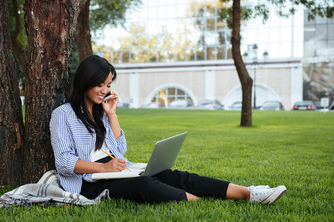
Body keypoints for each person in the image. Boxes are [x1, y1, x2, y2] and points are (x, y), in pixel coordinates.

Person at [50, 55, 287, 204]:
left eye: (109, 85)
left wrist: (112, 115)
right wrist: (103, 167)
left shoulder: (102, 112)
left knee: (173, 176)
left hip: (116, 169)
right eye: (100, 84)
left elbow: (120, 149)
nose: (104, 90)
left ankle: (248, 193)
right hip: (89, 182)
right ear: (85, 82)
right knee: (144, 185)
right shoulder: (63, 115)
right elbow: (63, 161)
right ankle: (199, 202)